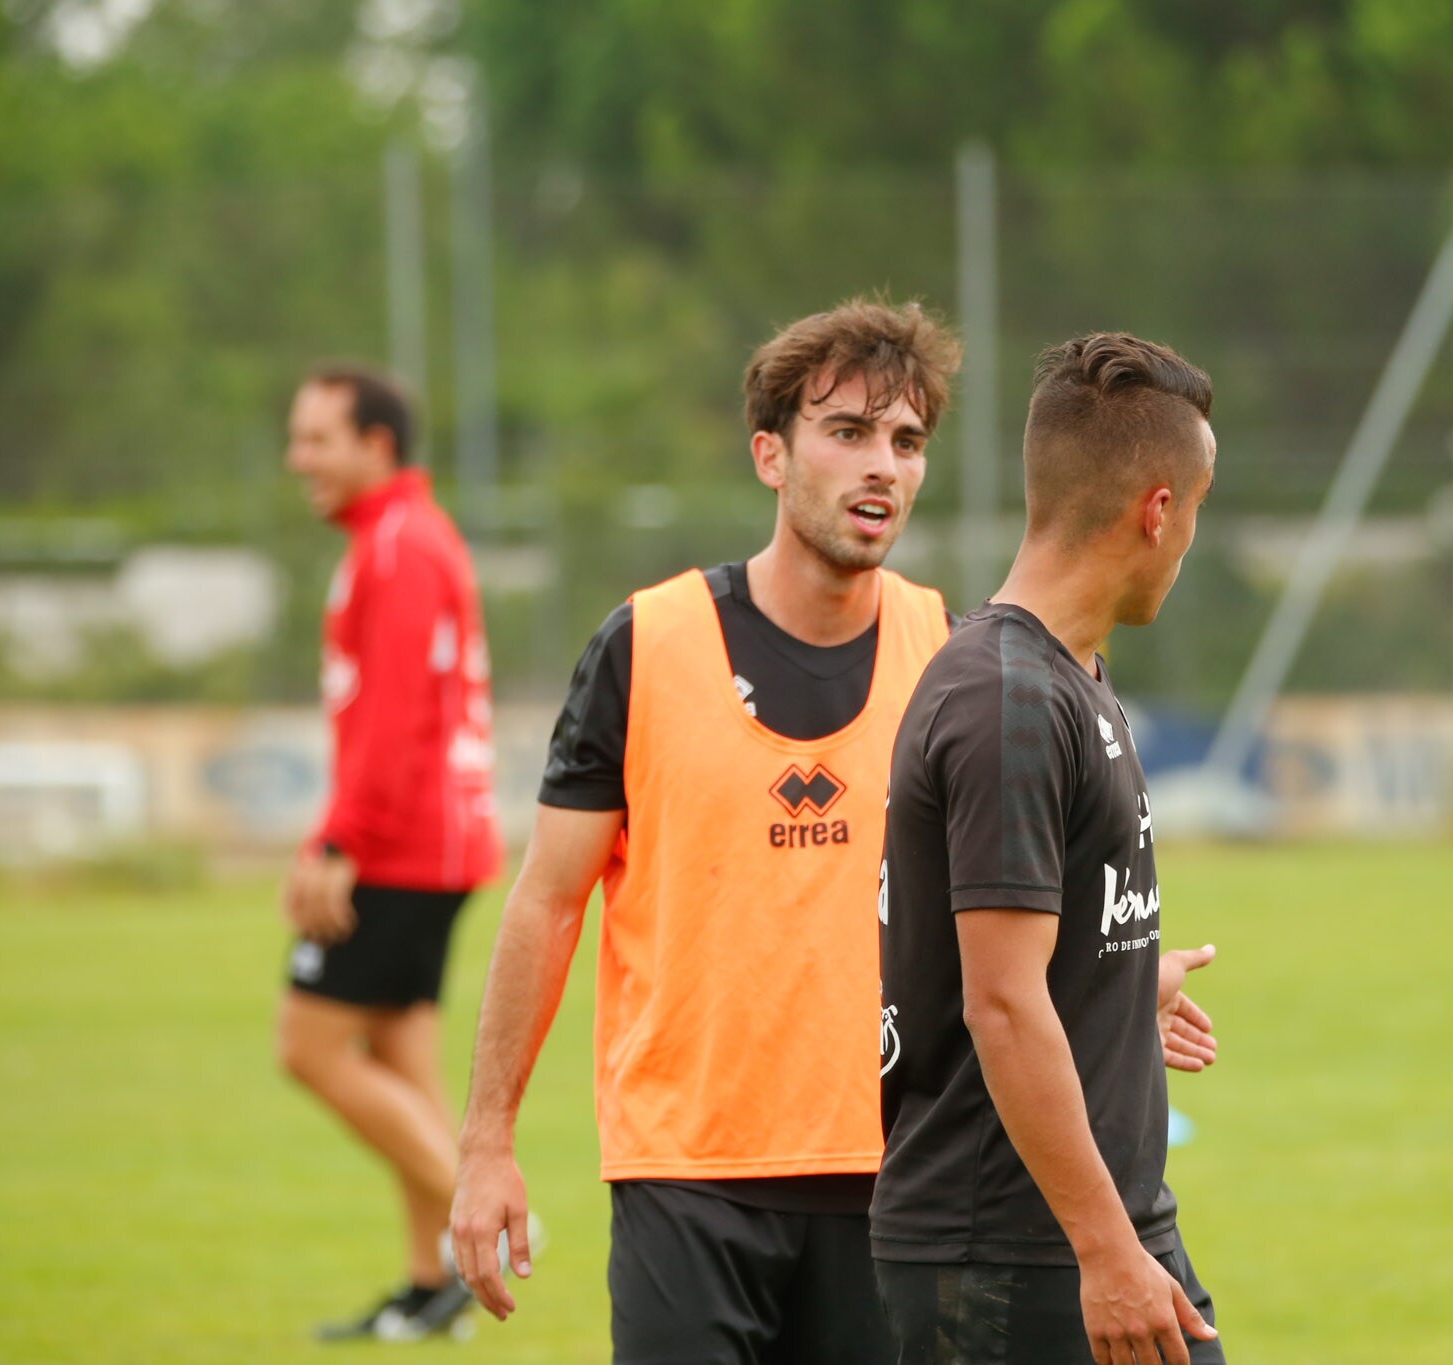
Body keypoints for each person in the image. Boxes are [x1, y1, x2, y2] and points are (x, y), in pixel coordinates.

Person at [447, 298, 964, 1363]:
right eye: (848, 432)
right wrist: (486, 1141)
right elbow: (547, 904)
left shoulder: (942, 650)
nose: (884, 467)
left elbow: (995, 904)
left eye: (906, 442)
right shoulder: (645, 646)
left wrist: (1112, 994)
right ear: (770, 456)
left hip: (890, 1176)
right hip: (684, 1177)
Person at [874, 332, 1225, 1365]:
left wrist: (1117, 991)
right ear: (1156, 509)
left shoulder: (1069, 679)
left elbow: (1018, 970)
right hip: (1012, 1258)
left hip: (1085, 1234)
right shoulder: (1008, 698)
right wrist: (1105, 1253)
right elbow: (998, 1001)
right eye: (1194, 514)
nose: (1188, 540)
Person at [276, 364, 502, 1342]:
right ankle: (429, 1286)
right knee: (402, 1061)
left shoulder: (399, 548)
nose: (299, 459)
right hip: (427, 843)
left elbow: (398, 718)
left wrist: (338, 841)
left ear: (378, 445)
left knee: (309, 1047)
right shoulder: (394, 539)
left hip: (405, 848)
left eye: (317, 438)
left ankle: (487, 1207)